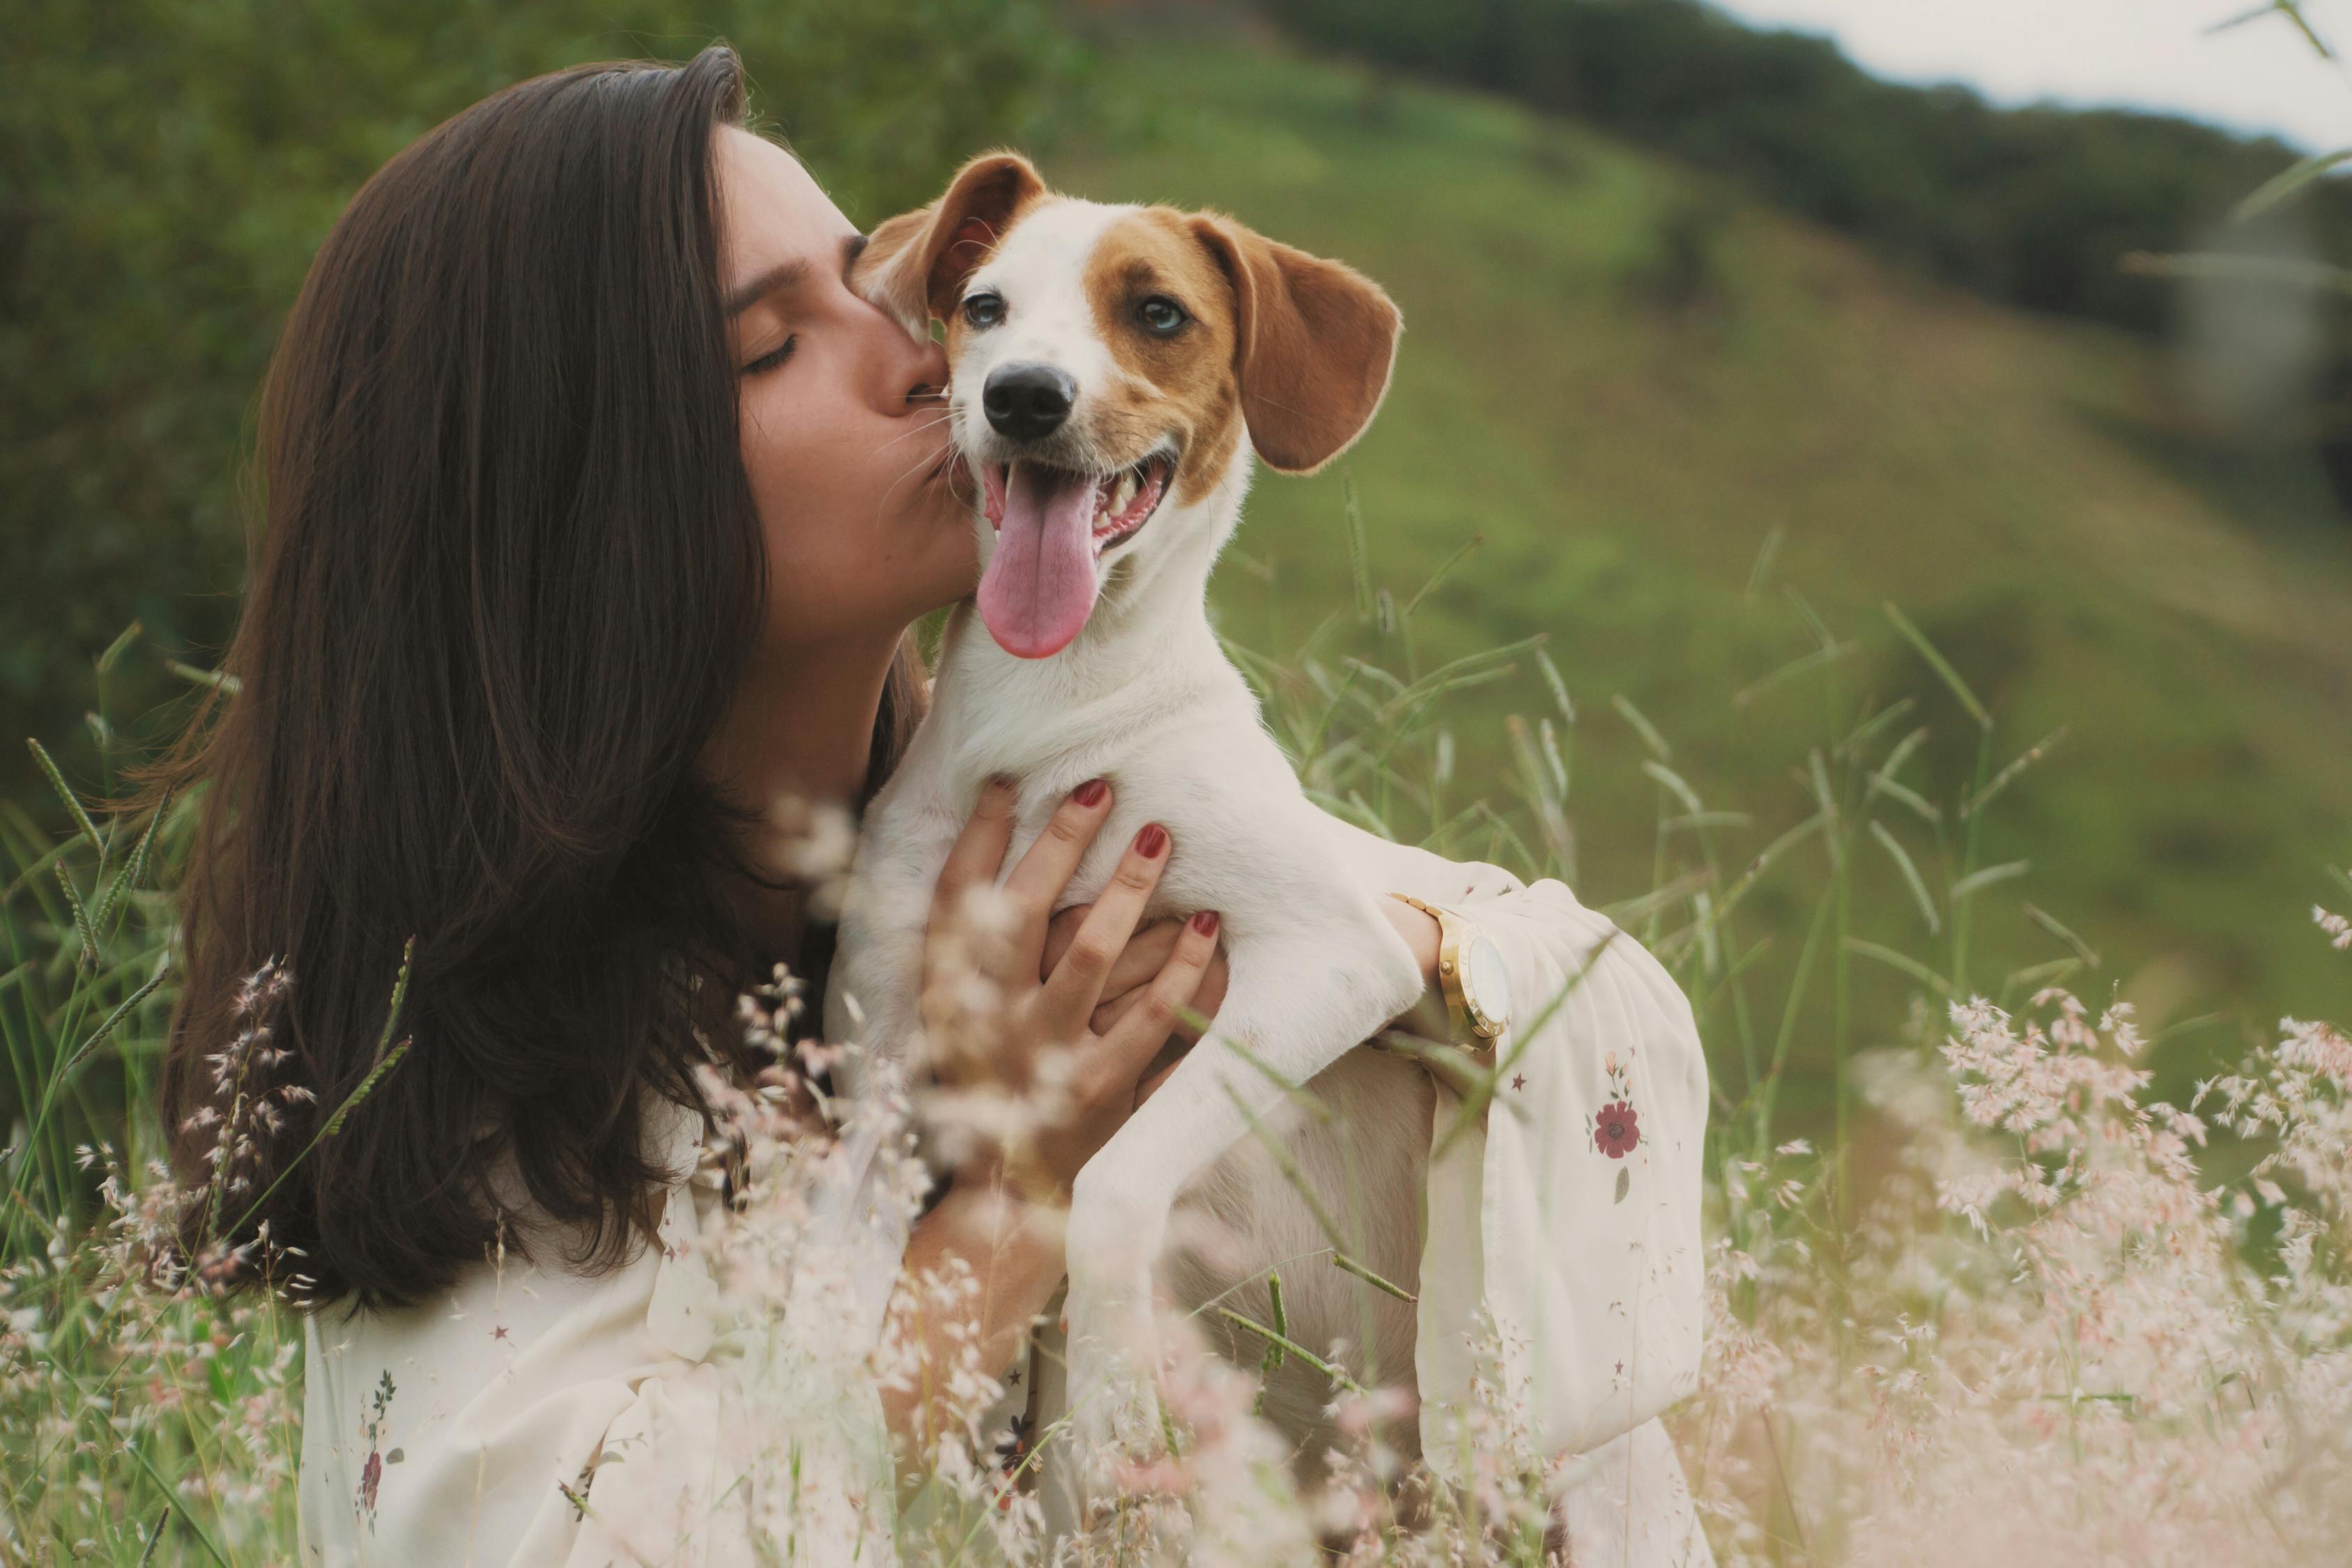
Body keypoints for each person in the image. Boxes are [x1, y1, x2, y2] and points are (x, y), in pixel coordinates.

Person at [157, 45, 1713, 1567]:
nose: (934, 358)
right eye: (770, 347)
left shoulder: (1073, 812)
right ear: (581, 499)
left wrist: (1275, 978)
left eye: (890, 282)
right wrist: (1011, 1198)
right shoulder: (481, 1102)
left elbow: (1585, 999)